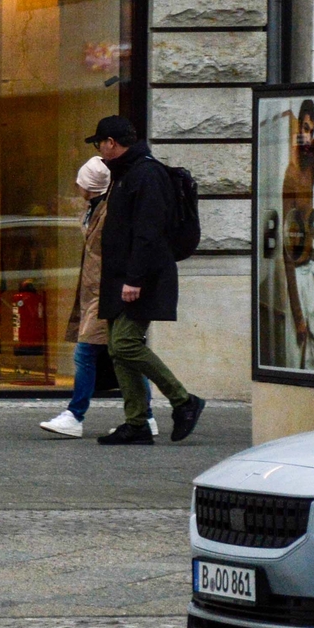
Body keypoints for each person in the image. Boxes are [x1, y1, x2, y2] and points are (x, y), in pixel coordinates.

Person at [87, 115, 204, 446]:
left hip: (142, 276)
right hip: (122, 276)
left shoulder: (146, 174)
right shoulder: (126, 173)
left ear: (112, 143)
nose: (99, 150)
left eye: (100, 143)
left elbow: (148, 232)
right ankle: (136, 422)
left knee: (125, 343)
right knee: (117, 348)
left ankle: (184, 400)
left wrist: (134, 279)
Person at [40, 156, 155, 438]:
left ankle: (75, 415)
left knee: (89, 352)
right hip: (95, 292)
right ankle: (147, 416)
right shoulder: (94, 209)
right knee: (123, 356)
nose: (76, 188)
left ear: (88, 186)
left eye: (80, 183)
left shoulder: (108, 212)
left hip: (106, 293)